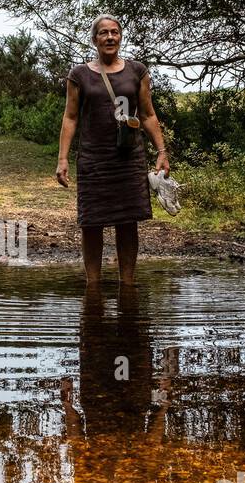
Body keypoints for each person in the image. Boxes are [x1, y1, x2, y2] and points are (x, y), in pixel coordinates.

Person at [56, 14, 170, 285]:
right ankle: (92, 286)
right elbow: (70, 117)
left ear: (120, 37)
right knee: (92, 223)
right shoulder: (79, 75)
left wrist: (162, 150)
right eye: (104, 33)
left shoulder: (137, 71)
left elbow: (148, 114)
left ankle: (127, 284)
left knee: (128, 222)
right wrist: (62, 159)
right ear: (94, 39)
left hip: (129, 158)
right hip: (93, 159)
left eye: (115, 32)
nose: (110, 37)